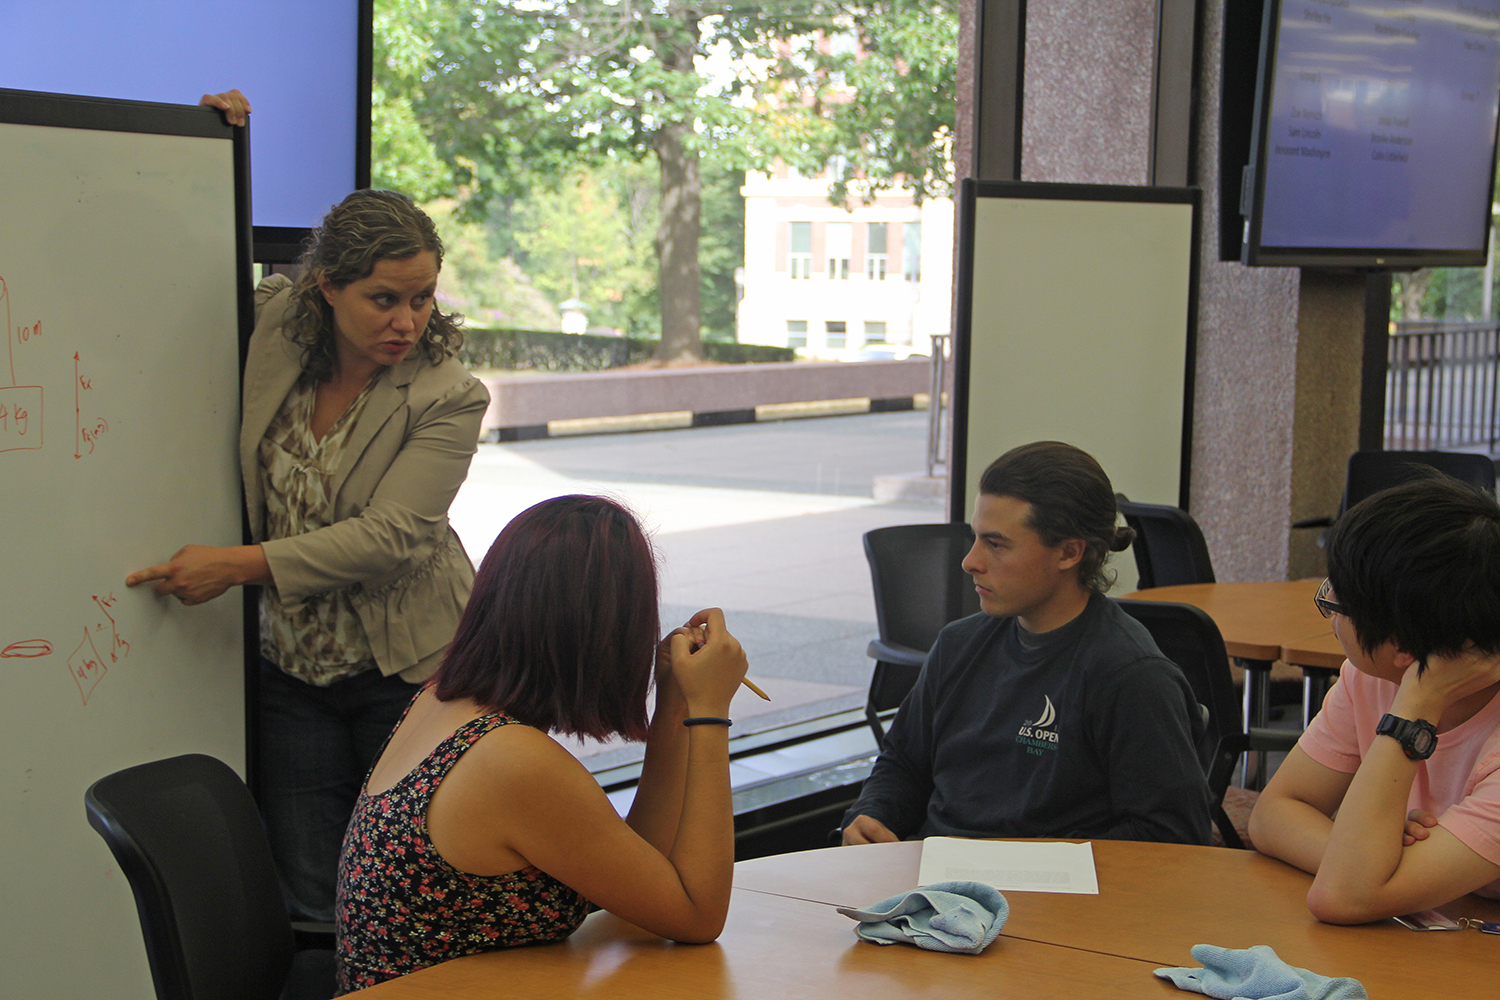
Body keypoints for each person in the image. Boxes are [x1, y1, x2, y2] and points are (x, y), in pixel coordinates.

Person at [127, 171, 490, 922]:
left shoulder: (449, 393)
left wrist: (232, 566)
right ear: (326, 286)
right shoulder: (278, 327)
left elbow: (391, 537)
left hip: (407, 669)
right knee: (310, 897)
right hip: (291, 668)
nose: (407, 320)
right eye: (384, 299)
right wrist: (207, 142)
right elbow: (182, 253)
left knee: (414, 884)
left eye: (422, 298)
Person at [335, 495, 748, 993]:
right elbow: (698, 915)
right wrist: (710, 711)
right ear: (606, 630)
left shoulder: (441, 701)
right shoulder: (511, 760)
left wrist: (675, 707)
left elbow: (646, 877)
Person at [842, 441, 1211, 846]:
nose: (970, 561)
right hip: (938, 886)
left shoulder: (1130, 675)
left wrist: (1026, 865)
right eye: (975, 538)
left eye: (995, 544)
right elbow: (903, 764)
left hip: (1050, 899)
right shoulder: (958, 645)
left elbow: (1172, 837)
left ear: (1069, 553)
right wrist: (872, 815)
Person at [1247, 474, 1500, 923]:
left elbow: (1344, 896)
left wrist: (1415, 710)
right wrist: (1364, 852)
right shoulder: (1371, 678)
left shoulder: (1407, 695)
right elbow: (1273, 814)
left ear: (1402, 648)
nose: (1326, 608)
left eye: (1335, 603)